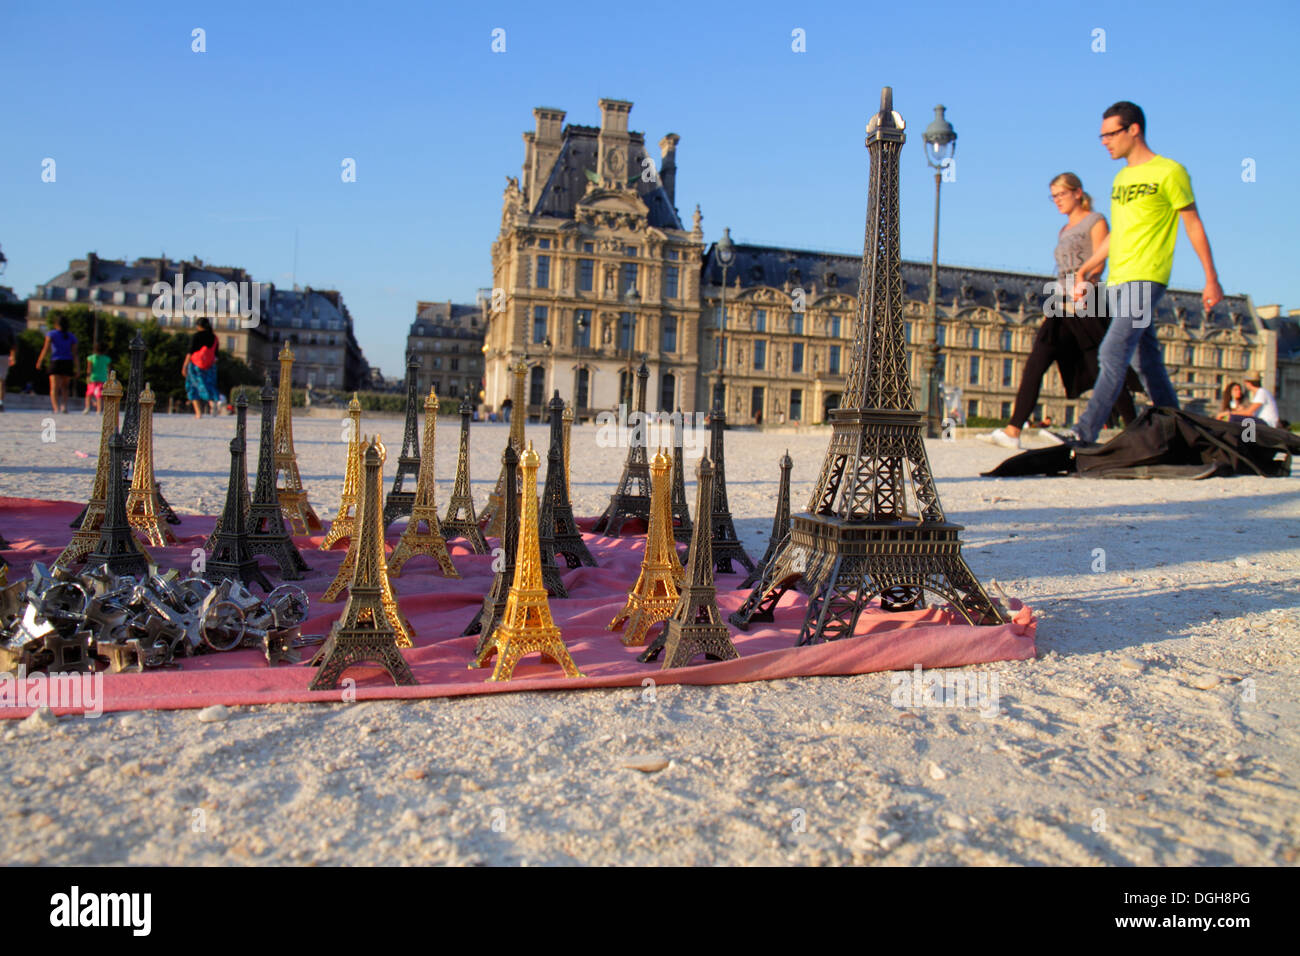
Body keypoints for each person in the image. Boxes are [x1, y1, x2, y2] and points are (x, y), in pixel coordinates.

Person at [1065, 101, 1223, 446]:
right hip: (1119, 279)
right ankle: (1181, 434)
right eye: (1102, 135)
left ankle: (1085, 431)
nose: (1104, 141)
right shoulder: (1121, 179)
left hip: (1146, 276)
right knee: (1146, 359)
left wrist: (1211, 277)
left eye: (1110, 134)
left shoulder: (1170, 171)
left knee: (1111, 352)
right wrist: (1087, 267)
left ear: (1132, 129)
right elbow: (1117, 234)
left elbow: (1193, 225)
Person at [980, 172, 1137, 449]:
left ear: (1078, 193)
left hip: (1088, 299)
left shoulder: (1096, 220)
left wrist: (1084, 288)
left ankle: (1135, 428)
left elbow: (1101, 261)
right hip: (1061, 302)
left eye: (1061, 194)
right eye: (1053, 196)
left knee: (1104, 365)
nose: (1057, 201)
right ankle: (1013, 430)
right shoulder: (1063, 230)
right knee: (1037, 361)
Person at [34, 315, 78, 414]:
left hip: (56, 361)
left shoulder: (52, 334)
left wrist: (40, 360)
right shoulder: (71, 336)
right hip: (67, 362)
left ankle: (56, 408)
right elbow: (75, 353)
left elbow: (45, 349)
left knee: (54, 387)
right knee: (65, 387)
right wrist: (77, 367)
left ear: (56, 324)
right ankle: (64, 406)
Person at [182, 317, 219, 418]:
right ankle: (212, 402)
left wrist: (185, 366)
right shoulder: (214, 337)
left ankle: (198, 413)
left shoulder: (196, 336)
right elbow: (216, 356)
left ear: (198, 326)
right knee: (208, 385)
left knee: (192, 386)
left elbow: (190, 352)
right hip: (210, 366)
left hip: (195, 365)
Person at [83, 342, 112, 415]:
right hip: (103, 378)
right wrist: (109, 378)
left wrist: (88, 376)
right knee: (99, 394)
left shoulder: (91, 358)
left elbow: (89, 369)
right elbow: (108, 370)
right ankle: (99, 410)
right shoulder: (107, 359)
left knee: (89, 393)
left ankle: (87, 408)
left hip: (93, 378)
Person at [0, 320, 14, 412]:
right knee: (1, 381)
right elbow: (13, 343)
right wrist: (13, 356)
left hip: (4, 355)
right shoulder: (7, 325)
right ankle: (0, 402)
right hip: (4, 355)